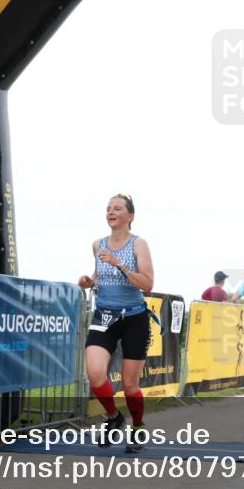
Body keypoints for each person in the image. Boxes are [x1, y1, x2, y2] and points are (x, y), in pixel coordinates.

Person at [77, 193, 155, 454]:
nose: (111, 212)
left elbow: (147, 284)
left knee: (130, 384)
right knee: (95, 373)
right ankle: (114, 417)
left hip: (134, 317)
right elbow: (100, 277)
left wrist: (121, 264)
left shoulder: (138, 244)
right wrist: (90, 282)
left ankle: (138, 427)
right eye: (108, 208)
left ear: (130, 216)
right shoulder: (98, 245)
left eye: (118, 208)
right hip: (105, 316)